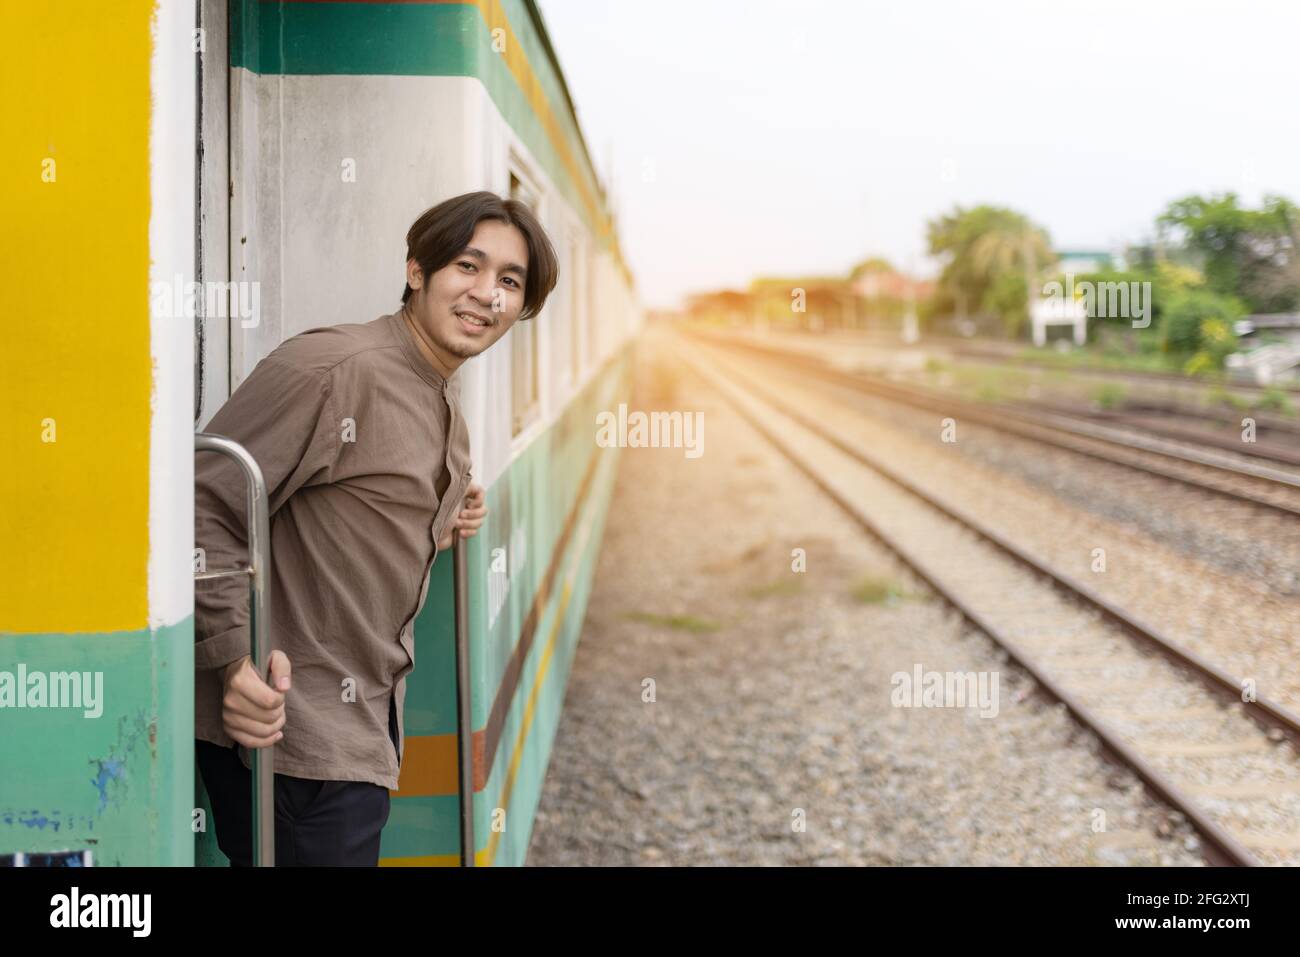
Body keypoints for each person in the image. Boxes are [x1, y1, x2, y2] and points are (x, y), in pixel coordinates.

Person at [194, 191, 558, 866]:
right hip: (292, 736)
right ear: (418, 270)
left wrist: (444, 513)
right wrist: (231, 662)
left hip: (357, 729)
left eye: (510, 281)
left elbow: (353, 509)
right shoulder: (333, 370)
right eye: (467, 266)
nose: (487, 293)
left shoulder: (436, 391)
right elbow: (202, 499)